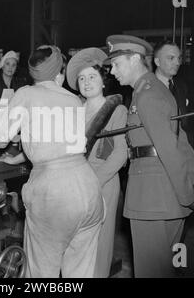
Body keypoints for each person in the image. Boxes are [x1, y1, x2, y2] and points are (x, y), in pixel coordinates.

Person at [0, 45, 104, 278]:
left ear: (32, 71)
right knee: (79, 273)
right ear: (57, 68)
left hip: (54, 195)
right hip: (88, 188)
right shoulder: (72, 98)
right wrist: (19, 158)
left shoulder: (27, 94)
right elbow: (62, 145)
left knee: (42, 273)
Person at [106, 34, 194, 278]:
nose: (112, 71)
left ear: (134, 59)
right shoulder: (156, 90)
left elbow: (168, 147)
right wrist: (192, 185)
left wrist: (188, 195)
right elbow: (182, 142)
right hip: (164, 198)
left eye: (116, 64)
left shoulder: (147, 94)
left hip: (152, 200)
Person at [66, 48, 128, 277]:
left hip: (102, 183)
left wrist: (92, 182)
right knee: (74, 246)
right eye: (81, 78)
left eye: (92, 76)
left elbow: (121, 154)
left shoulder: (116, 110)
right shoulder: (73, 111)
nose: (86, 82)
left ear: (103, 81)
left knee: (99, 246)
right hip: (73, 185)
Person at [153, 40, 194, 145]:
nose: (177, 63)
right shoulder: (147, 87)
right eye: (171, 58)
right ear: (157, 62)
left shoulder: (183, 86)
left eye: (179, 58)